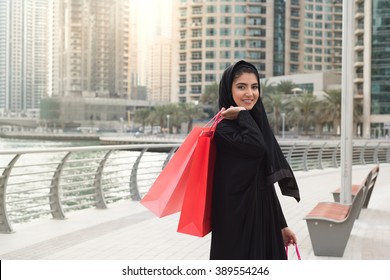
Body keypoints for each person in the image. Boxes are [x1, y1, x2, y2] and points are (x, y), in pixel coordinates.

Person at [210, 60, 300, 260]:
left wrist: (282, 225)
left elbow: (265, 182)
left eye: (254, 87)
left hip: (262, 214)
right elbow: (256, 148)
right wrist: (242, 114)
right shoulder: (224, 130)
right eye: (241, 87)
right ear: (228, 89)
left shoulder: (255, 126)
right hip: (236, 221)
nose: (250, 93)